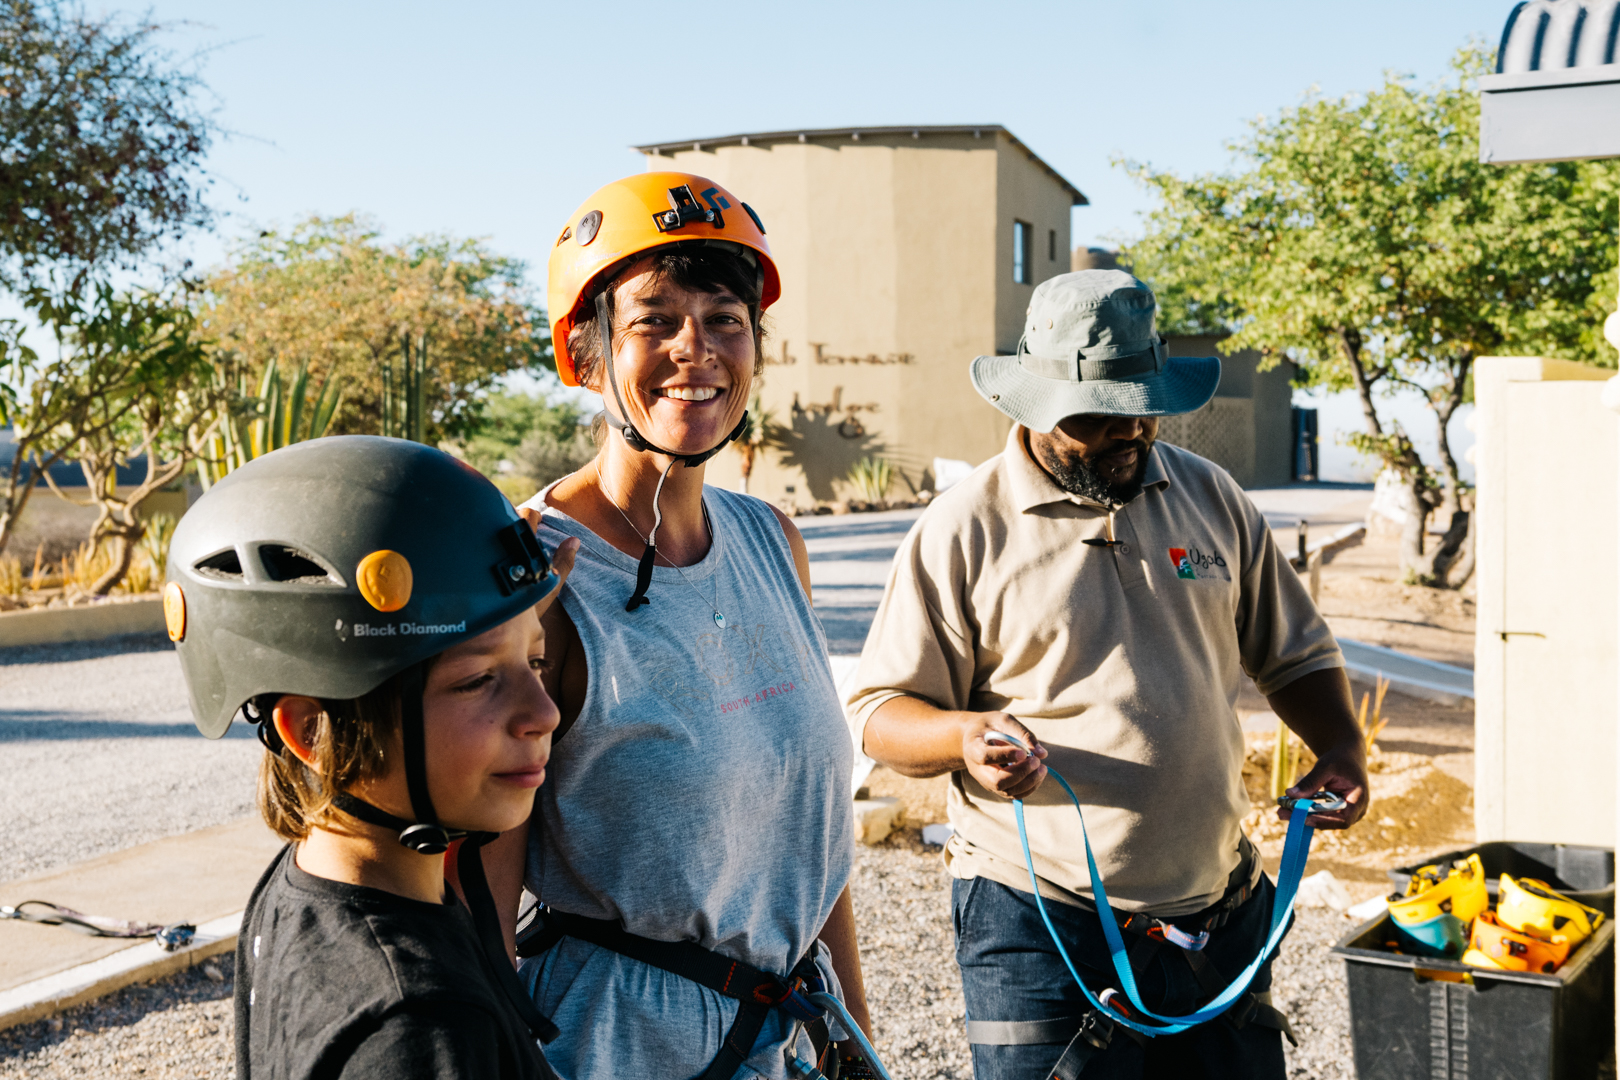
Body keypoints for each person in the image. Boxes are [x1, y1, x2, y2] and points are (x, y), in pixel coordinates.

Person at [847, 270, 1370, 1080]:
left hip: (1219, 911)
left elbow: (1295, 653)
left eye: (1142, 407)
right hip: (1038, 921)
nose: (1128, 432)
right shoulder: (963, 527)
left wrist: (1340, 746)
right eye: (1097, 416)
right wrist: (964, 737)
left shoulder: (1212, 497)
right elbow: (881, 711)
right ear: (1033, 406)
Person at [482, 171, 876, 1080]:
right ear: (585, 355)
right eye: (654, 319)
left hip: (791, 1034)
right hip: (618, 1043)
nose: (695, 348)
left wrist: (854, 1031)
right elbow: (486, 865)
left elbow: (806, 836)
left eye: (725, 317)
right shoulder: (538, 572)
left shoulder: (773, 542)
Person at [164, 436, 578, 1080]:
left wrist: (498, 619)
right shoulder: (422, 1026)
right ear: (310, 729)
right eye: (477, 681)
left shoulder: (307, 886)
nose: (544, 713)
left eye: (534, 660)